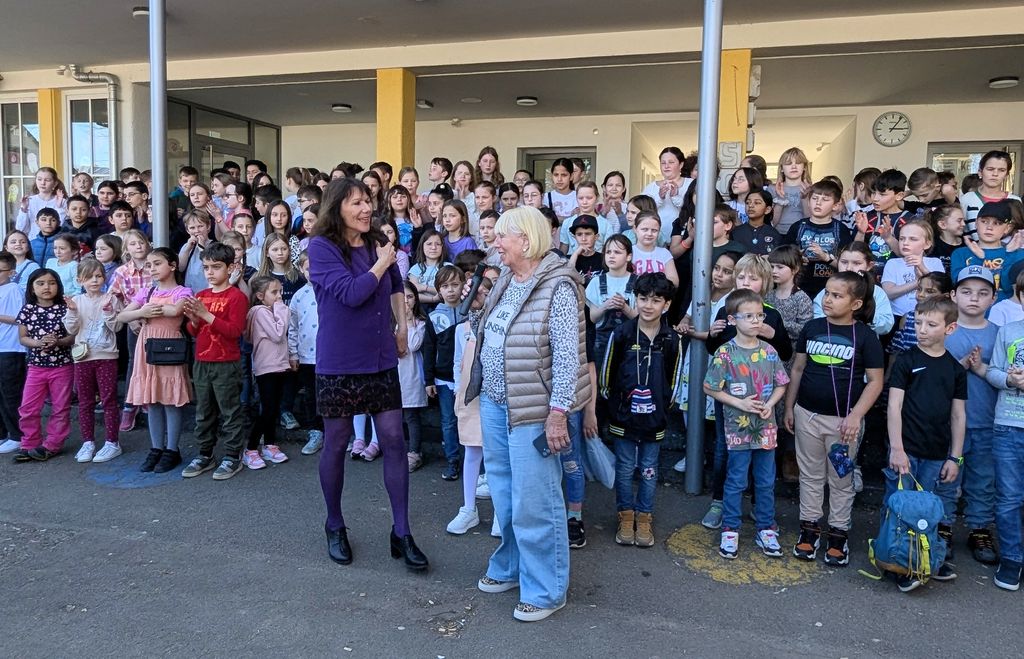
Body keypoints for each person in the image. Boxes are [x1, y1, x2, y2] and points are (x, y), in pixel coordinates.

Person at [465, 206, 591, 622]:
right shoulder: (505, 277)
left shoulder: (559, 287)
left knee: (535, 500)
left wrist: (558, 414)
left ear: (527, 239)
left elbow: (569, 357)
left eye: (503, 236)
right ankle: (511, 566)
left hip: (534, 409)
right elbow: (489, 333)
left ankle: (546, 588)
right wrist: (476, 307)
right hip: (496, 402)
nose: (495, 242)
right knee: (504, 495)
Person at [308, 177, 427, 572]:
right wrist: (382, 260)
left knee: (394, 437)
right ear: (336, 206)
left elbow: (395, 286)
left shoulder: (376, 240)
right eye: (356, 202)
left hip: (379, 357)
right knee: (337, 441)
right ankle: (334, 523)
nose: (365, 209)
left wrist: (402, 327)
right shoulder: (321, 247)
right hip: (339, 360)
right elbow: (352, 293)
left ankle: (402, 531)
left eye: (367, 201)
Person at [784, 271, 884, 566]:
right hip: (807, 416)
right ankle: (809, 528)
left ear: (856, 303)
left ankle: (838, 533)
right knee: (810, 476)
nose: (828, 299)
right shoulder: (812, 328)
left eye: (837, 295)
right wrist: (789, 407)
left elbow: (875, 382)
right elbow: (797, 369)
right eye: (827, 293)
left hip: (844, 424)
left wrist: (856, 416)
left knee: (841, 478)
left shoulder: (865, 336)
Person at [884, 295, 965, 591]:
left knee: (928, 509)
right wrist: (897, 448)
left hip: (936, 453)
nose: (921, 329)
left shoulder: (955, 369)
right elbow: (894, 406)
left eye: (931, 324)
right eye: (918, 323)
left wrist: (955, 457)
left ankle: (923, 557)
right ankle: (897, 561)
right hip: (905, 450)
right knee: (898, 506)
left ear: (950, 328)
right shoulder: (907, 360)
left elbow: (958, 415)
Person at [704, 289, 790, 559]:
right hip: (737, 429)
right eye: (749, 316)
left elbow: (781, 383)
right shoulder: (724, 353)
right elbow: (710, 387)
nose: (756, 321)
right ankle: (730, 528)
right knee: (736, 480)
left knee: (765, 481)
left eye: (759, 316)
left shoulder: (770, 351)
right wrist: (739, 403)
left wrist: (770, 404)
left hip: (766, 428)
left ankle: (766, 527)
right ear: (732, 320)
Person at [601, 272, 684, 548]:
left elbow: (674, 378)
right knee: (625, 468)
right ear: (634, 299)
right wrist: (614, 402)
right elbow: (607, 372)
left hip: (654, 418)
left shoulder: (671, 339)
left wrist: (663, 405)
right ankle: (625, 516)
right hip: (623, 415)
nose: (648, 305)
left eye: (656, 300)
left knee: (649, 469)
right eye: (643, 298)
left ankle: (644, 516)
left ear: (666, 305)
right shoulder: (622, 333)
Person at [116, 248, 193, 474]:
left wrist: (146, 311)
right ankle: (156, 448)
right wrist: (142, 312)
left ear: (172, 266)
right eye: (149, 265)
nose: (152, 268)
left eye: (157, 263)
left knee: (170, 400)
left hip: (169, 347)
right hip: (148, 347)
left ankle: (172, 449)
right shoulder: (147, 291)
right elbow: (122, 315)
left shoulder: (183, 290)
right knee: (153, 400)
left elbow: (177, 310)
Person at [179, 242, 249, 479]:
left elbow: (235, 331)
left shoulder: (236, 297)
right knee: (204, 411)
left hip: (226, 362)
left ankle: (232, 456)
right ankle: (205, 454)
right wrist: (194, 320)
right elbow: (193, 331)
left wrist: (205, 315)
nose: (210, 272)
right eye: (206, 267)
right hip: (202, 361)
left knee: (230, 411)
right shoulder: (201, 295)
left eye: (216, 267)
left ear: (230, 268)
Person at [945, 265, 1000, 566]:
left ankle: (979, 528)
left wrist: (981, 368)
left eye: (982, 293)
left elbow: (1006, 376)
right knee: (947, 478)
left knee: (982, 480)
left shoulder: (999, 334)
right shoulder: (944, 330)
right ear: (953, 295)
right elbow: (934, 375)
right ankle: (942, 525)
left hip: (987, 421)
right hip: (950, 422)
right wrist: (961, 365)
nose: (974, 298)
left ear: (993, 298)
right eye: (966, 292)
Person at [11, 269, 75, 462]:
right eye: (40, 283)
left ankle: (53, 444)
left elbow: (72, 337)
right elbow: (23, 338)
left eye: (51, 283)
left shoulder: (65, 309)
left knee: (60, 407)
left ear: (58, 286)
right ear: (32, 288)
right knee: (28, 407)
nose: (46, 287)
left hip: (62, 366)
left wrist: (58, 341)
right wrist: (39, 343)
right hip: (36, 367)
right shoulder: (27, 310)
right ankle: (30, 443)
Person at [447, 276, 494, 535]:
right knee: (472, 450)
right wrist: (458, 389)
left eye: (485, 292)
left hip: (495, 394)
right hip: (470, 395)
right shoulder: (461, 330)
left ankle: (501, 512)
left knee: (497, 456)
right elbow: (458, 362)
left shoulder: (499, 325)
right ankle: (468, 508)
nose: (480, 296)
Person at [984, 287, 1024, 591]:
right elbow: (993, 372)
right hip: (1008, 424)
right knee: (1009, 497)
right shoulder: (1008, 331)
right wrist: (1010, 379)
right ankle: (1012, 558)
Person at [64, 258, 123, 464]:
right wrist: (72, 310)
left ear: (104, 278)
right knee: (85, 401)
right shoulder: (76, 301)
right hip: (82, 358)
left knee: (109, 400)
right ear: (80, 280)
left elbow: (117, 327)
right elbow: (71, 329)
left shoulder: (111, 299)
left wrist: (108, 311)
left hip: (106, 356)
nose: (95, 280)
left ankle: (112, 442)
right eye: (89, 277)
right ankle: (88, 442)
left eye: (98, 276)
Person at [243, 276, 291, 470]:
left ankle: (270, 444)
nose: (279, 296)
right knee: (268, 408)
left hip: (278, 365)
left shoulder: (269, 311)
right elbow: (278, 334)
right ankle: (251, 448)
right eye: (274, 292)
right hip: (267, 367)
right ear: (260, 296)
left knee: (273, 407)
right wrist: (282, 309)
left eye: (280, 291)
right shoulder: (260, 312)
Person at [423, 265, 466, 481]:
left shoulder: (471, 312)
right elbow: (429, 349)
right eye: (445, 286)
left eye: (455, 285)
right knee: (448, 421)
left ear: (463, 285)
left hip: (467, 378)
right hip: (443, 378)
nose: (451, 290)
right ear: (439, 290)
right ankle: (453, 461)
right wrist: (428, 379)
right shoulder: (434, 317)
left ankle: (472, 462)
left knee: (467, 420)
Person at [110, 229, 152, 432]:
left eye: (141, 242)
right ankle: (130, 404)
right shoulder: (122, 272)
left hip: (155, 321)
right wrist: (132, 319)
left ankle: (148, 400)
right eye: (133, 244)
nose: (139, 246)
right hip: (133, 323)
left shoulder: (154, 266)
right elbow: (114, 297)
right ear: (126, 249)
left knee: (152, 361)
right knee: (134, 363)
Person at [783, 179, 854, 299]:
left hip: (832, 289)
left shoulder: (841, 229)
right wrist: (796, 258)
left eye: (825, 200)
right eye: (815, 198)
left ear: (836, 205)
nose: (818, 203)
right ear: (808, 201)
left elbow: (848, 266)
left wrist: (826, 258)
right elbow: (782, 257)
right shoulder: (797, 227)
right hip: (798, 288)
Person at [812, 242, 895, 336]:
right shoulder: (828, 290)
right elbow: (817, 319)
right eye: (844, 262)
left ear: (869, 266)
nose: (849, 268)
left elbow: (886, 326)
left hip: (863, 341)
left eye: (856, 263)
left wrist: (866, 316)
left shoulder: (877, 292)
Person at [288, 252, 325, 456]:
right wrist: (293, 353)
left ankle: (335, 431)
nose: (313, 272)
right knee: (311, 394)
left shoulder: (331, 290)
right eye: (309, 268)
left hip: (330, 354)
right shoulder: (299, 296)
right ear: (302, 270)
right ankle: (315, 430)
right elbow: (293, 327)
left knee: (330, 392)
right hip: (306, 355)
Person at [950, 200, 1022, 301]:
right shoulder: (960, 253)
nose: (989, 227)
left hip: (1004, 309)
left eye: (997, 223)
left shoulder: (1019, 254)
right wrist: (978, 258)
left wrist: (1010, 254)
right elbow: (961, 285)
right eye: (984, 221)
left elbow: (1009, 288)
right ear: (976, 223)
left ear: (1007, 228)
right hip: (970, 308)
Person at [853, 170, 910, 275]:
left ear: (899, 195)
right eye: (874, 193)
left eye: (882, 195)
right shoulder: (866, 217)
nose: (875, 199)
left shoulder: (910, 221)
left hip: (896, 278)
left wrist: (889, 238)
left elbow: (909, 257)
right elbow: (855, 253)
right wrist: (861, 233)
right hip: (868, 277)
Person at [397, 280, 428, 472]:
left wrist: (408, 322)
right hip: (394, 374)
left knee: (411, 416)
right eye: (402, 297)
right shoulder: (389, 321)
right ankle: (397, 451)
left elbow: (412, 345)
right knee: (393, 417)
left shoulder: (420, 323)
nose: (405, 301)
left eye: (409, 297)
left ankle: (415, 452)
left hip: (411, 375)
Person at [0, 251, 27, 455]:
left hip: (11, 348)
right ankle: (3, 433)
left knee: (11, 394)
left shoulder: (14, 289)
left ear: (11, 272)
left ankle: (18, 435)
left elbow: (21, 318)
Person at [961, 150, 1020, 241]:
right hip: (973, 249)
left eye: (1001, 170)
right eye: (990, 169)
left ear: (1006, 175)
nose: (995, 174)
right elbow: (961, 230)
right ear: (980, 172)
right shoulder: (967, 199)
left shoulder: (1015, 201)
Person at [642, 147, 691, 244]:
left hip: (684, 240)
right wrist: (660, 197)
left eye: (671, 162)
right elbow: (642, 211)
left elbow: (695, 209)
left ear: (681, 164)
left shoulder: (691, 184)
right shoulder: (650, 187)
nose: (666, 166)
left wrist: (676, 197)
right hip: (655, 240)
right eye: (663, 163)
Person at [16, 167, 67, 240]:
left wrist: (59, 207)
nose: (42, 183)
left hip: (56, 243)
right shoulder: (29, 201)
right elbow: (20, 229)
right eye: (39, 179)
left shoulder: (62, 201)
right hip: (34, 243)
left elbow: (63, 227)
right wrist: (24, 210)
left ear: (55, 183)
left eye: (47, 180)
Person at [771, 147, 813, 235]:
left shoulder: (812, 189)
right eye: (788, 163)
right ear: (781, 168)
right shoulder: (772, 189)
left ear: (804, 167)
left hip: (803, 233)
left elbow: (811, 219)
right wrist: (780, 199)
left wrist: (805, 198)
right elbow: (772, 223)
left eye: (798, 163)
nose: (794, 166)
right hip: (778, 234)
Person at [732, 189, 781, 255]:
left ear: (767, 209)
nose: (750, 205)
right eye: (747, 202)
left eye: (757, 203)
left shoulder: (773, 233)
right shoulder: (736, 232)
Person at [565, 215, 605, 286]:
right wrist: (575, 254)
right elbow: (567, 279)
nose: (583, 239)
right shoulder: (567, 259)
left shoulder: (604, 259)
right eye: (579, 234)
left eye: (588, 234)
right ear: (574, 237)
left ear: (596, 237)